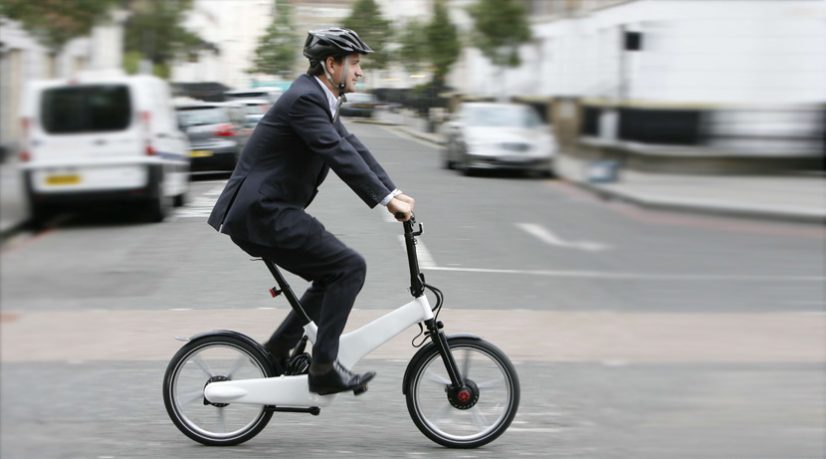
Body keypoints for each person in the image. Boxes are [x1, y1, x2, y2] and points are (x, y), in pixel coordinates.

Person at [207, 27, 414, 395]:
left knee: (333, 273)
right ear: (331, 64)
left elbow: (352, 148)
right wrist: (385, 202)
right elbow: (337, 155)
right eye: (354, 63)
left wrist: (393, 192)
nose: (360, 72)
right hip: (262, 212)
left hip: (269, 210)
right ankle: (323, 368)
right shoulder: (305, 99)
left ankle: (277, 349)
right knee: (349, 268)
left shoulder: (321, 100)